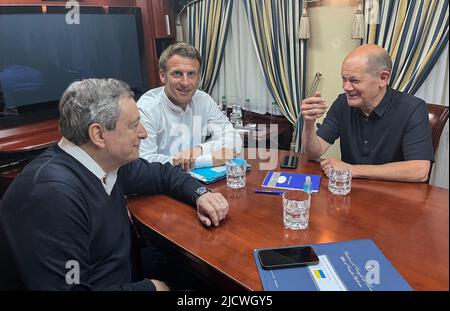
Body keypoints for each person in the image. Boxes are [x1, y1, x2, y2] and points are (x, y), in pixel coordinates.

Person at [0, 78, 229, 291]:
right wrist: (150, 288)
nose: (143, 133)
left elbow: (162, 174)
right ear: (98, 135)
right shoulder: (51, 196)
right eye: (133, 125)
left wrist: (200, 193)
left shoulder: (108, 162)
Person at [301, 44, 434, 182]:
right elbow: (313, 153)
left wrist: (352, 170)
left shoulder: (412, 108)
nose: (346, 87)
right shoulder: (342, 103)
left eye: (354, 80)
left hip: (394, 195)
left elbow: (419, 171)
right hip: (349, 191)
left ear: (383, 78)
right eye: (344, 79)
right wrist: (309, 123)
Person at [137, 42, 242, 170]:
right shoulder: (147, 108)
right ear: (163, 76)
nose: (185, 83)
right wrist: (206, 160)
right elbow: (144, 160)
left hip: (200, 179)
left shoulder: (203, 100)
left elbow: (234, 139)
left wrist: (199, 150)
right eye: (177, 74)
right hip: (160, 183)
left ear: (198, 77)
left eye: (191, 74)